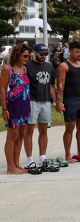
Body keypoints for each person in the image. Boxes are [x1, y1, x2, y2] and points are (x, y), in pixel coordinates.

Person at [24, 44, 56, 168]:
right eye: (41, 53)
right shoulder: (27, 66)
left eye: (46, 54)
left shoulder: (49, 66)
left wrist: (57, 101)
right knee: (29, 130)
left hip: (46, 100)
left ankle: (43, 157)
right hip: (32, 100)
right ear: (35, 53)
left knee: (43, 130)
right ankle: (29, 159)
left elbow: (51, 85)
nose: (44, 56)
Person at [0, 44, 31, 174]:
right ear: (17, 55)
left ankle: (17, 164)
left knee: (21, 135)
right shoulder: (8, 69)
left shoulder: (24, 69)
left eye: (28, 56)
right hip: (13, 106)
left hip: (25, 106)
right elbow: (2, 89)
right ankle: (10, 167)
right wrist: (4, 109)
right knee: (12, 135)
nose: (27, 58)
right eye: (25, 56)